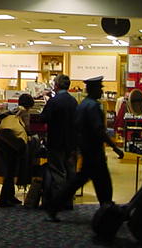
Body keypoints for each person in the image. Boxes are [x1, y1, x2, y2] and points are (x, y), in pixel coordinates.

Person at [47, 75, 124, 221]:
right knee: (101, 183)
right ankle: (107, 211)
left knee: (85, 181)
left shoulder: (83, 105)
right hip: (94, 151)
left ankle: (106, 210)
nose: (101, 90)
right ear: (93, 89)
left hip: (86, 149)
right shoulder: (93, 106)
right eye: (99, 88)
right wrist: (114, 147)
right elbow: (99, 130)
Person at [40, 74, 78, 208]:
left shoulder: (54, 101)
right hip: (71, 143)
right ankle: (68, 202)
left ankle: (58, 202)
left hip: (56, 142)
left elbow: (43, 118)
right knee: (70, 172)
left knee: (58, 172)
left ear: (56, 85)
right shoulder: (73, 101)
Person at [0, 93, 35, 207]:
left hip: (2, 140)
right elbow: (27, 128)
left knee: (9, 170)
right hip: (12, 142)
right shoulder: (24, 112)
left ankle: (10, 196)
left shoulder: (12, 110)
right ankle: (4, 199)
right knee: (10, 171)